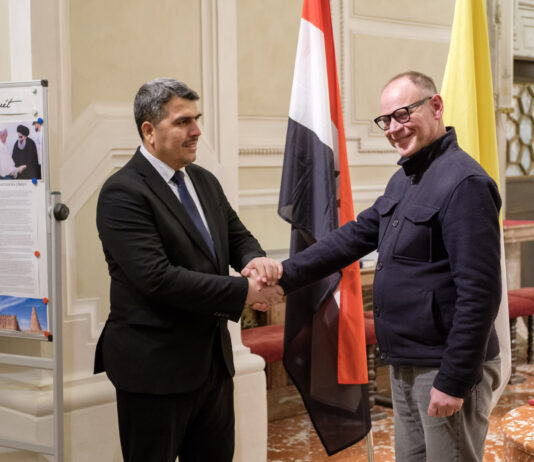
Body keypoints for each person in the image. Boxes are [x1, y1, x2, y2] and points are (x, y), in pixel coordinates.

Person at [247, 71, 502, 462]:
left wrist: (454, 379)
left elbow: (480, 293)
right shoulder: (405, 179)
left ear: (436, 106)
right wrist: (284, 275)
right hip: (406, 361)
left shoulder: (465, 183)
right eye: (386, 120)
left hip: (444, 366)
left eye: (403, 114)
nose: (394, 128)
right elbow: (352, 237)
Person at [94, 78, 283, 462]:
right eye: (183, 122)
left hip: (213, 365)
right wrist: (245, 292)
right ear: (149, 131)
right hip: (154, 370)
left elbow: (238, 237)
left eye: (197, 119)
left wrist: (256, 264)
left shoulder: (204, 180)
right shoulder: (122, 192)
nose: (197, 131)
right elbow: (157, 278)